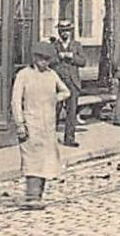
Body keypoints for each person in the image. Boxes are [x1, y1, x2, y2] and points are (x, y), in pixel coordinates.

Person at [11, 40, 73, 210]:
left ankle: (38, 196)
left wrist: (54, 99)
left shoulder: (51, 75)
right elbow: (16, 101)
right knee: (31, 159)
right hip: (30, 123)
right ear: (34, 58)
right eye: (41, 59)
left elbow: (66, 91)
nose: (44, 63)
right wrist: (20, 124)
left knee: (46, 160)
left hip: (48, 124)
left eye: (47, 60)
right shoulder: (23, 75)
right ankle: (31, 196)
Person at [51, 20, 85, 147]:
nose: (64, 33)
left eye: (66, 30)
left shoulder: (77, 45)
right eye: (62, 30)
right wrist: (59, 56)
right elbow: (49, 61)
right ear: (59, 32)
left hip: (72, 82)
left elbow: (83, 61)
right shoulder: (54, 45)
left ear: (70, 31)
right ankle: (50, 139)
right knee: (55, 111)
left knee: (71, 112)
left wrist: (72, 57)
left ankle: (69, 138)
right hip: (58, 83)